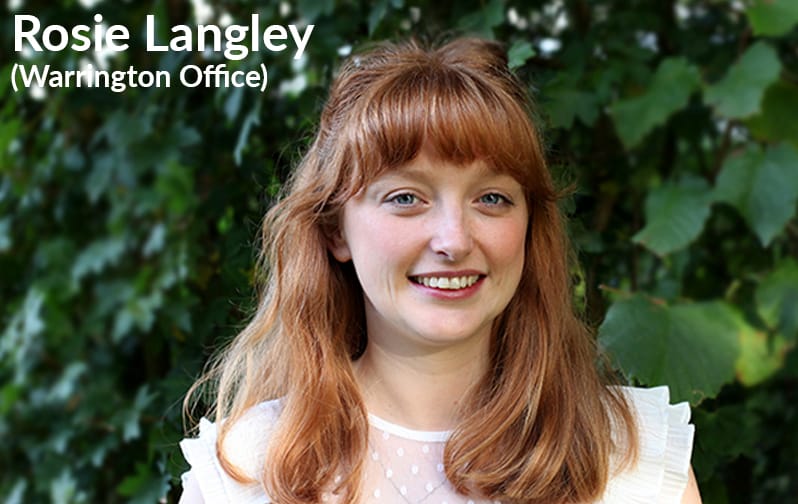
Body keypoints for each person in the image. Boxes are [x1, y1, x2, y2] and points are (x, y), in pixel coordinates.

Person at [178, 37, 702, 504]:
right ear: (336, 231)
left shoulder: (632, 460)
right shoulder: (244, 472)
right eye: (406, 198)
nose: (454, 240)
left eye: (491, 198)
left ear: (529, 227)